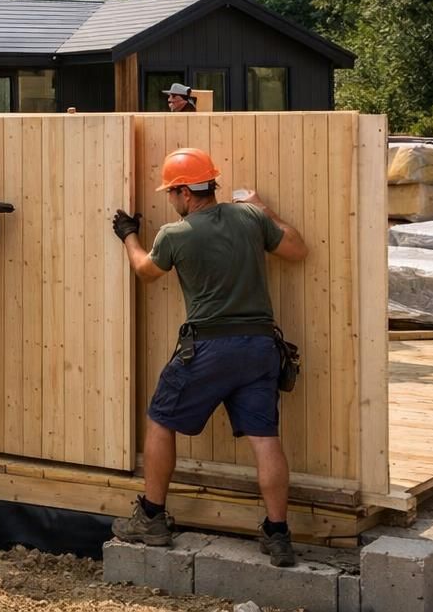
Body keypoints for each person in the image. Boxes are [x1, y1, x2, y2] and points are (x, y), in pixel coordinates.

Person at [109, 147, 308, 566]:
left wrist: (128, 235)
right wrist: (265, 210)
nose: (170, 199)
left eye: (170, 192)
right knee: (265, 439)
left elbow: (146, 271)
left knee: (161, 420)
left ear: (185, 192)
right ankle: (278, 535)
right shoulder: (250, 217)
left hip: (210, 348)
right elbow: (297, 249)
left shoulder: (175, 234)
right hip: (260, 348)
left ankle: (152, 518)